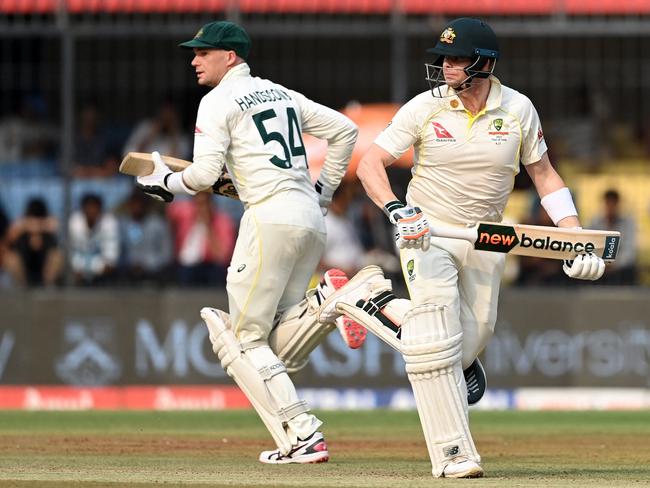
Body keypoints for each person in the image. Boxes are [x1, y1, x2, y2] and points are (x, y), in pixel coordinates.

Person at [344, 18, 606, 479]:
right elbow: (371, 163)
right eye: (443, 58)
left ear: (484, 64)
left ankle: (370, 301)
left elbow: (544, 175)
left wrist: (574, 234)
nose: (446, 66)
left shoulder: (519, 108)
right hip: (426, 232)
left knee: (476, 334)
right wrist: (397, 209)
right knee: (437, 332)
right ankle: (454, 454)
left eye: (456, 58)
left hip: (487, 235)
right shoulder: (424, 107)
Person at [133, 21, 388, 465]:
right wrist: (324, 192)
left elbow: (205, 175)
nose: (193, 60)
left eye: (202, 52)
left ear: (229, 56)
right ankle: (325, 304)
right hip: (309, 219)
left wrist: (166, 182)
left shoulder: (216, 102)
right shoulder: (281, 92)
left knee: (245, 339)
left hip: (268, 217)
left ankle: (305, 432)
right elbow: (346, 130)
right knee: (276, 339)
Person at [166, 192, 235, 286]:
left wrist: (208, 225)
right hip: (185, 266)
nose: (201, 208)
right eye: (198, 204)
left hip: (210, 266)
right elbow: (169, 211)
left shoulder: (222, 221)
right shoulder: (186, 214)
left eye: (204, 204)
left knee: (216, 273)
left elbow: (222, 256)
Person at [3, 198, 63, 287]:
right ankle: (22, 289)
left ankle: (47, 288)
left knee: (57, 256)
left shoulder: (49, 227)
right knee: (10, 258)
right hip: (24, 269)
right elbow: (10, 235)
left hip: (45, 269)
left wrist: (37, 226)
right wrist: (28, 225)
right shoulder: (21, 226)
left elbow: (57, 225)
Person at [588, 189, 637, 285]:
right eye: (608, 203)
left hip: (620, 271)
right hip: (599, 268)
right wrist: (601, 264)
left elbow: (629, 252)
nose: (610, 207)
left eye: (613, 204)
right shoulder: (595, 223)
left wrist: (614, 265)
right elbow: (589, 247)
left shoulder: (627, 223)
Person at [69, 193, 120, 285]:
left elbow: (111, 259)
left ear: (100, 209)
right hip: (77, 268)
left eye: (94, 207)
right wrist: (76, 267)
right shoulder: (74, 222)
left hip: (101, 270)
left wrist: (92, 269)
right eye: (88, 207)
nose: (91, 211)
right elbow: (68, 253)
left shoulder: (109, 222)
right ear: (83, 209)